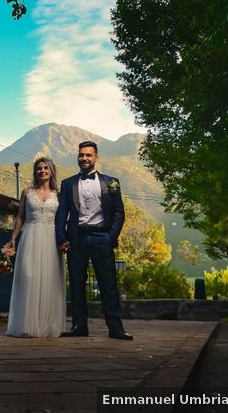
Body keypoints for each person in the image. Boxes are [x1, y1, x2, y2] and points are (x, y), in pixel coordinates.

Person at [55, 141, 133, 340]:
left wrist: (110, 237)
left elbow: (118, 212)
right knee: (77, 284)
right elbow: (61, 214)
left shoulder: (111, 182)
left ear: (96, 157)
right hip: (76, 239)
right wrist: (61, 238)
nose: (84, 158)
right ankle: (79, 326)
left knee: (108, 284)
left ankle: (115, 328)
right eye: (81, 155)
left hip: (101, 238)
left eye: (88, 155)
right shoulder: (68, 183)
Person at [3, 156, 66, 338]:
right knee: (29, 276)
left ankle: (48, 325)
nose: (42, 171)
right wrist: (13, 238)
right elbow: (20, 217)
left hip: (51, 239)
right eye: (39, 168)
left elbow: (62, 220)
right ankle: (27, 325)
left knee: (49, 279)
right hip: (30, 237)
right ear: (35, 172)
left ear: (51, 171)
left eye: (46, 167)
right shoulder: (27, 193)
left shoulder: (58, 195)